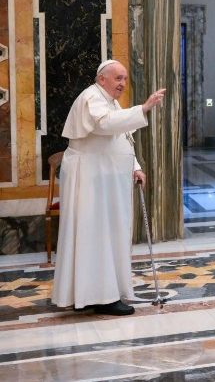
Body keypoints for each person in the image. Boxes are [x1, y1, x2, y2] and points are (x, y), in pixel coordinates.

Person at [51, 60, 166, 315]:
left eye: (124, 79)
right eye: (118, 78)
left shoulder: (110, 101)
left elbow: (121, 137)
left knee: (106, 233)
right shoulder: (91, 97)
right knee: (95, 234)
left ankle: (94, 293)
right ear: (102, 79)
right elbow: (104, 125)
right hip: (89, 178)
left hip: (103, 178)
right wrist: (143, 108)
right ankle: (102, 297)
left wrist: (135, 166)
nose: (123, 84)